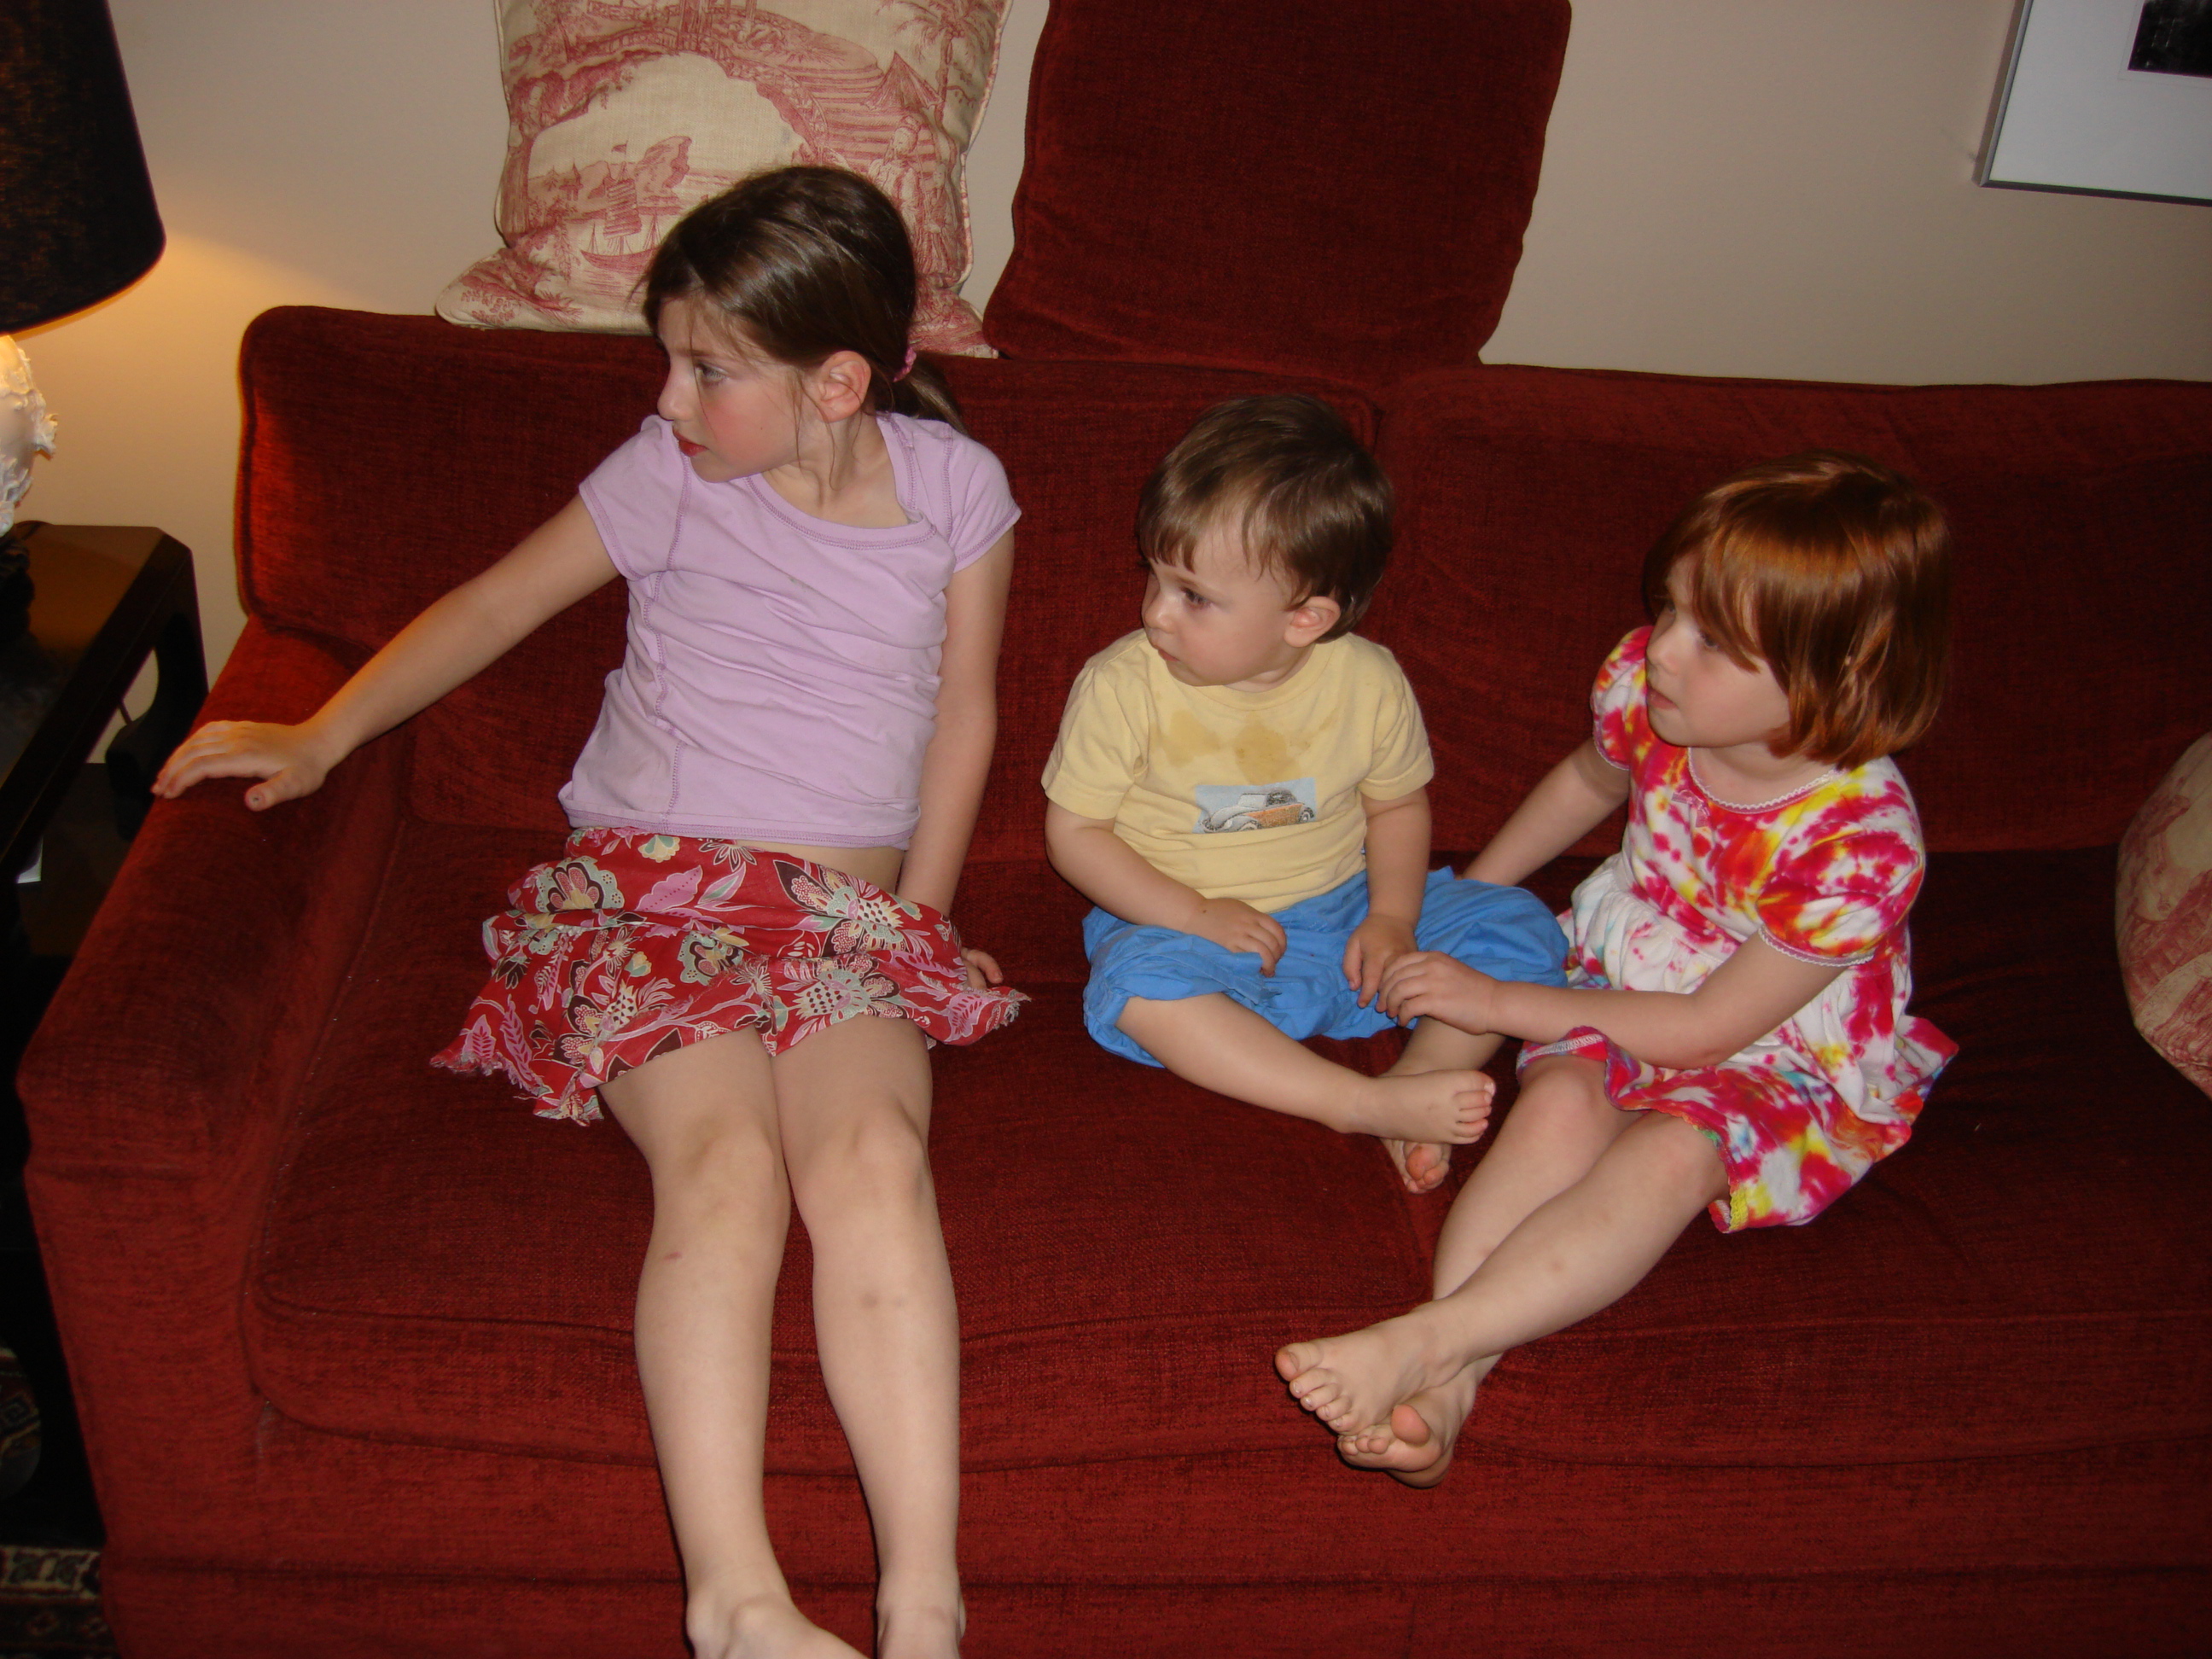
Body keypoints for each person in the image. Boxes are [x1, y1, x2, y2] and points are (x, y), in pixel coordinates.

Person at [154, 166, 1022, 1659]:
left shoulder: (957, 490)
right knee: (728, 1164)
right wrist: (324, 732)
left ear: (836, 382)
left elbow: (964, 717)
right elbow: (496, 604)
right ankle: (736, 1601)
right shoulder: (661, 475)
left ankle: (923, 1605)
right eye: (667, 359)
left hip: (838, 914)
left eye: (705, 370)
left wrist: (916, 924)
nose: (668, 400)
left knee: (875, 1156)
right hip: (648, 890)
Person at [1275, 450, 1958, 1487]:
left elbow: (1711, 1031)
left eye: (1714, 639)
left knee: (1673, 1155)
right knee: (1556, 1107)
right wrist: (1472, 900)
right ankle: (1451, 1386)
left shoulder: (1861, 844)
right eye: (1671, 609)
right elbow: (1585, 783)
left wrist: (1496, 998)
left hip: (1768, 1038)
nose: (1665, 649)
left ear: (1838, 674)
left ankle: (1429, 1339)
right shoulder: (1650, 687)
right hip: (1631, 963)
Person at [1041, 396, 1568, 1184]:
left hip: (1347, 909)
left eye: (1193, 596)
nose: (1155, 613)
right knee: (1135, 986)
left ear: (1305, 620)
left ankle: (1419, 1080)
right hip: (1185, 926)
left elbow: (1397, 806)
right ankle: (1351, 1102)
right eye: (1155, 576)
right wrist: (1195, 915)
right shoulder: (1123, 685)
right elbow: (1075, 833)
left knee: (1519, 925)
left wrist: (1393, 918)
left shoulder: (1370, 682)